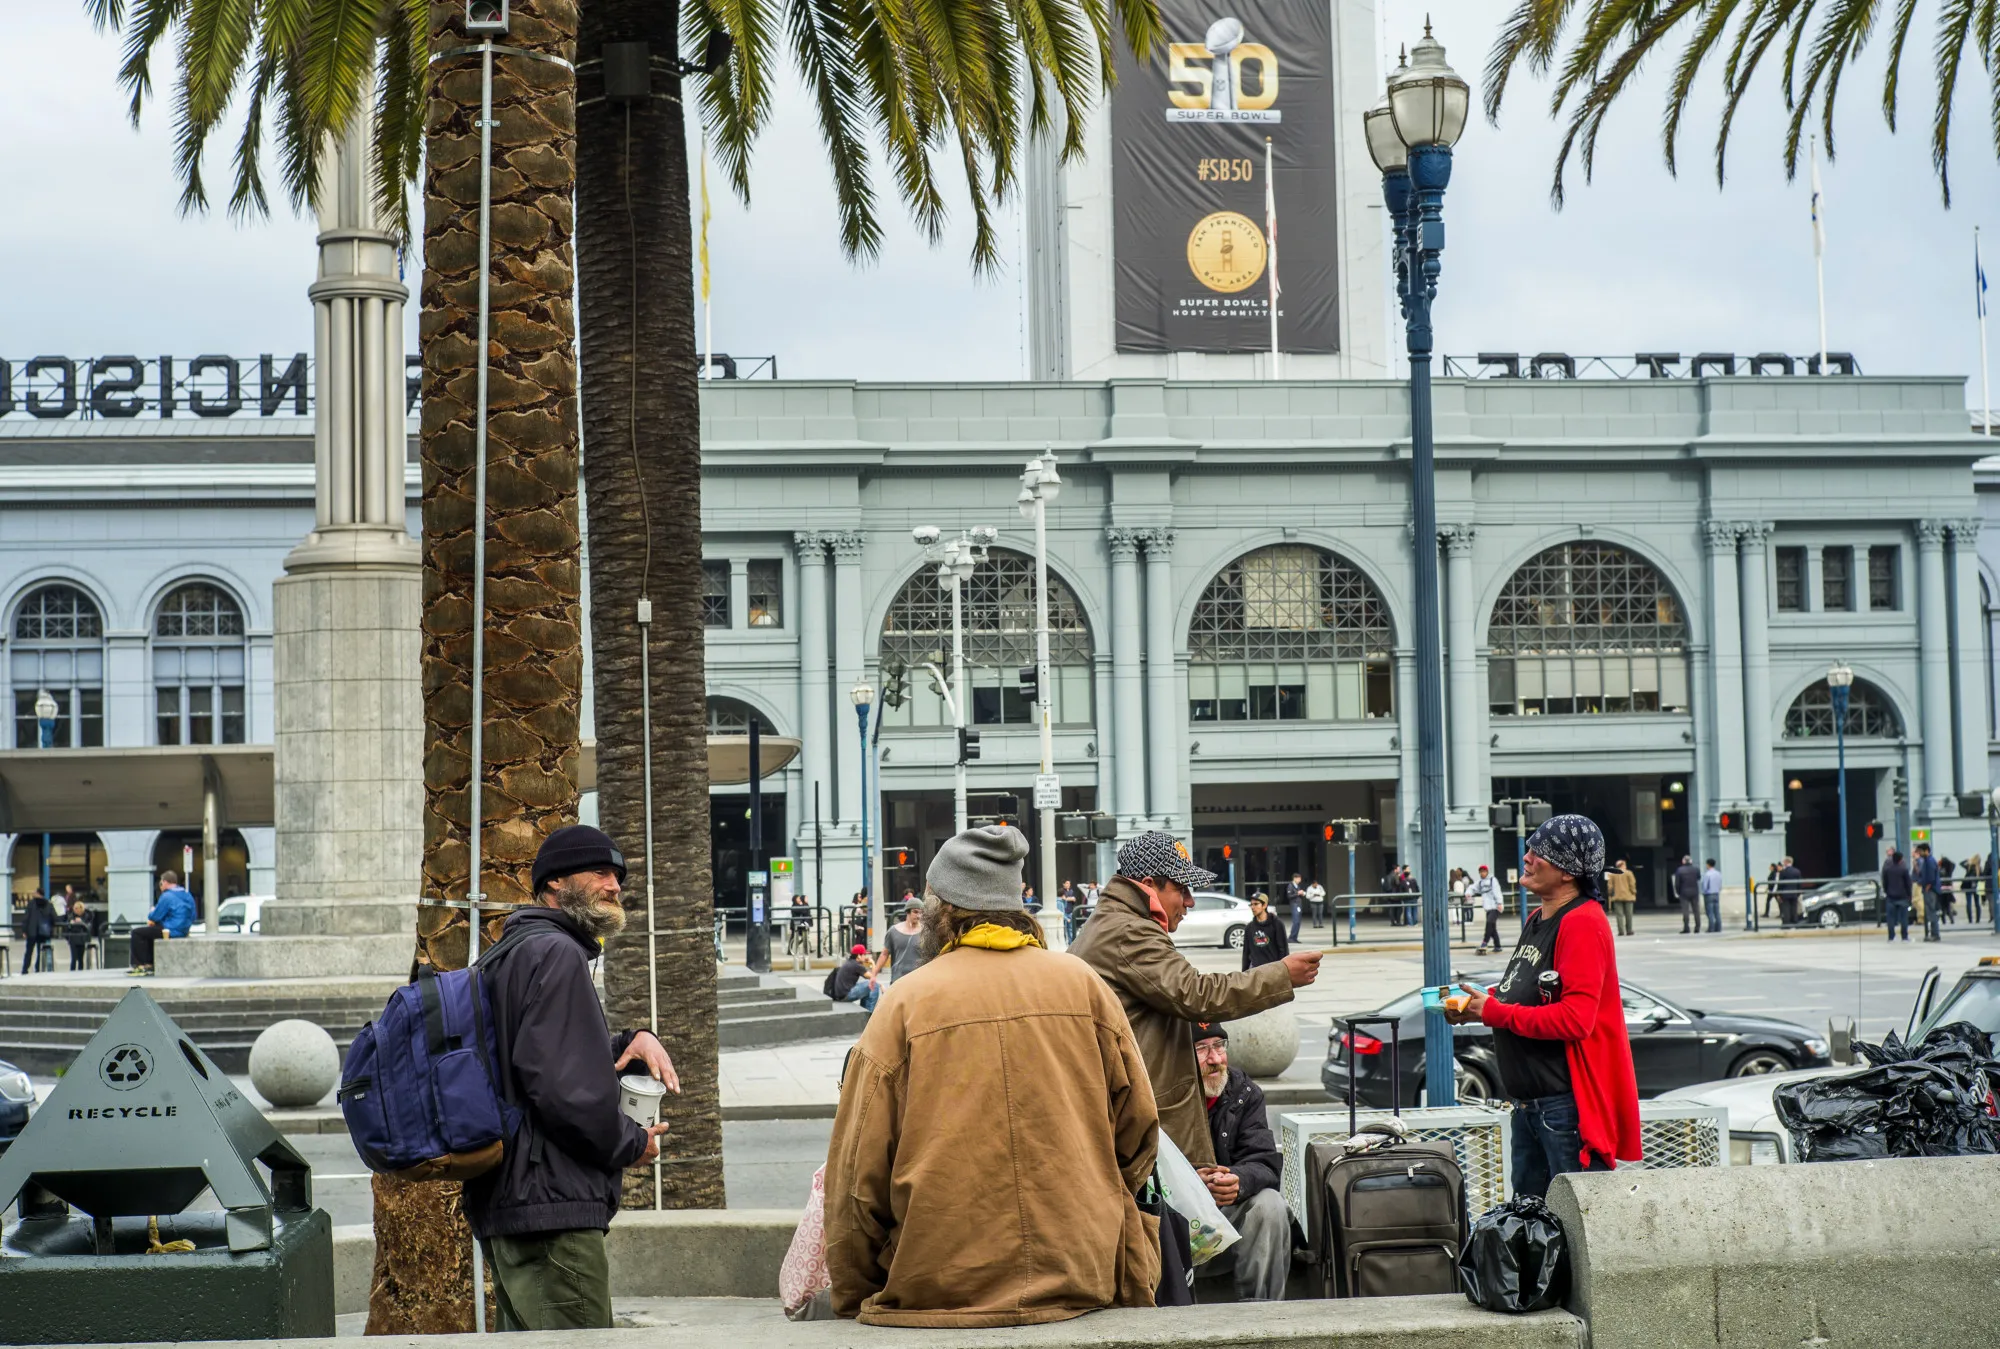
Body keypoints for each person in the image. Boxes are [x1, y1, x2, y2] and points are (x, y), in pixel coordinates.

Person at [824, 825, 1160, 1325]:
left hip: (936, 1286)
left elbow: (856, 1180)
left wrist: (856, 1297)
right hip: (1080, 1273)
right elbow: (1138, 1134)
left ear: (942, 910)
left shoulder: (906, 1004)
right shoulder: (1082, 986)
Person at [464, 824, 680, 1331]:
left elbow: (534, 1056)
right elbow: (563, 1089)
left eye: (619, 876)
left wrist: (627, 1040)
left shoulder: (513, 950)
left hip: (516, 1200)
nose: (615, 886)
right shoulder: (556, 954)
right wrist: (631, 1142)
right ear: (555, 884)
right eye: (601, 872)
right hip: (550, 1212)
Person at [1070, 832, 1319, 1206]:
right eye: (1182, 889)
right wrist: (1281, 975)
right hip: (1138, 1120)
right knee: (1162, 1245)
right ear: (1150, 884)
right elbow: (1197, 995)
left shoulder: (1117, 923)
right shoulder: (1128, 931)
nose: (1189, 901)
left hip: (1129, 1112)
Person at [1445, 814, 1641, 1199]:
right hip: (1530, 1107)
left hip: (1563, 1110)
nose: (1527, 857)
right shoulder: (1538, 917)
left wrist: (1491, 1011)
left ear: (1568, 871)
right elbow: (1521, 991)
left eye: (1540, 853)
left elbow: (1575, 1020)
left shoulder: (1583, 921)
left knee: (1572, 1235)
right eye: (1530, 848)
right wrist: (1474, 1002)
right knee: (1533, 1230)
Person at [1190, 1022, 1289, 1302]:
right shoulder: (1161, 1095)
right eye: (1202, 1049)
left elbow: (1265, 1162)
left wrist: (1238, 1181)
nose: (1215, 1059)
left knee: (1270, 1203)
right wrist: (1194, 1183)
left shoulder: (1244, 1091)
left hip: (1227, 1223)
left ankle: (1261, 1315)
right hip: (1180, 1224)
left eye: (1220, 1046)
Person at [128, 872, 196, 975]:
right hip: (183, 930)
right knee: (152, 931)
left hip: (170, 931)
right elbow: (193, 916)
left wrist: (152, 910)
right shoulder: (187, 894)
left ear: (164, 882)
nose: (160, 886)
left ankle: (140, 964)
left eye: (161, 883)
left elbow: (154, 916)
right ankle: (150, 962)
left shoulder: (167, 896)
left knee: (137, 933)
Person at [880, 900, 927, 983]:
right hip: (898, 979)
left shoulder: (926, 932)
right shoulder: (893, 931)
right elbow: (884, 954)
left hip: (919, 979)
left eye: (921, 913)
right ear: (907, 912)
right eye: (915, 912)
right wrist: (873, 975)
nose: (918, 916)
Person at [1240, 893, 1288, 970]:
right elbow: (1246, 953)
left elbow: (1283, 950)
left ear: (1264, 905)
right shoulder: (1249, 928)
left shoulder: (1277, 924)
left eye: (1256, 904)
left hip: (1273, 970)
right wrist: (1244, 974)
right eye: (1251, 904)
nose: (1253, 907)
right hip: (1255, 971)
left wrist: (1283, 970)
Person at [829, 944, 881, 1013]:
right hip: (845, 995)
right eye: (864, 954)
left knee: (867, 986)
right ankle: (869, 1015)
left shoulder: (850, 962)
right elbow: (873, 977)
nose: (866, 957)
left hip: (839, 994)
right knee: (874, 985)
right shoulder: (857, 966)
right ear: (859, 956)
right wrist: (873, 963)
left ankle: (865, 1011)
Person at [20, 888, 55, 975]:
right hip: (43, 932)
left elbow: (26, 918)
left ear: (38, 893)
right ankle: (38, 968)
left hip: (32, 931)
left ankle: (25, 969)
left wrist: (24, 930)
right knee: (40, 951)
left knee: (29, 951)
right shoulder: (48, 904)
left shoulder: (32, 903)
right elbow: (54, 917)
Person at [1880, 848, 1912, 941]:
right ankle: (1904, 936)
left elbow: (1885, 882)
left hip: (1890, 896)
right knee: (1903, 918)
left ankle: (1891, 936)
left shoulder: (1887, 869)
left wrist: (1887, 891)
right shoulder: (1904, 869)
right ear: (1901, 859)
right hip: (1902, 896)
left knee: (1890, 918)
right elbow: (1908, 884)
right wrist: (1909, 895)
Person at [1472, 864, 1504, 955]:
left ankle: (1484, 942)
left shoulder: (1492, 880)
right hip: (1488, 908)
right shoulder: (1480, 883)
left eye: (1484, 871)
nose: (1482, 873)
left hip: (1495, 906)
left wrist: (1499, 903)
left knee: (1489, 923)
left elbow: (1497, 891)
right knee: (1492, 928)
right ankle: (1498, 946)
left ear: (1487, 872)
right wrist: (1468, 893)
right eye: (1481, 872)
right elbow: (1473, 888)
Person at [1913, 843, 1942, 942]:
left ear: (1926, 851)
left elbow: (1930, 877)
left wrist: (1927, 887)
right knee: (1930, 912)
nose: (1919, 853)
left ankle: (1935, 934)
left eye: (1920, 851)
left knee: (1931, 912)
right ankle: (1934, 933)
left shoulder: (1929, 861)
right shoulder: (1927, 861)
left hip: (1930, 890)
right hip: (1929, 889)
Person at [1605, 859, 1636, 937]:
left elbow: (1610, 886)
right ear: (1623, 865)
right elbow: (1632, 884)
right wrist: (1633, 892)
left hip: (1617, 897)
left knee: (1619, 915)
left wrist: (1610, 894)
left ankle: (1621, 931)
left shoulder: (1613, 874)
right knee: (1629, 914)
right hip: (1628, 896)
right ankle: (1629, 930)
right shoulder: (1629, 873)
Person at [1672, 855, 1700, 935]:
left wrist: (1678, 892)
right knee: (1696, 910)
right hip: (1694, 891)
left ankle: (1686, 928)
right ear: (1691, 861)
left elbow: (1677, 883)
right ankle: (1697, 927)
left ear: (1683, 861)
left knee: (1685, 911)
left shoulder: (1679, 870)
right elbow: (1698, 878)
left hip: (1684, 892)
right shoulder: (1696, 869)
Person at [63, 897, 93, 971]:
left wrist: (81, 922)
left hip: (82, 938)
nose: (75, 910)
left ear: (81, 908)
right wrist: (71, 923)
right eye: (75, 908)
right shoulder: (71, 915)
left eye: (77, 908)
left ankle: (80, 971)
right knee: (73, 958)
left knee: (80, 958)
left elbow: (88, 926)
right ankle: (72, 971)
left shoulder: (86, 916)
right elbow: (67, 926)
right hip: (73, 938)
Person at [1777, 856, 1805, 926]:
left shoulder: (1783, 872)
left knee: (1786, 908)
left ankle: (1787, 923)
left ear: (1786, 862)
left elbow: (1780, 884)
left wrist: (1779, 894)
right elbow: (1799, 884)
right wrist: (1798, 892)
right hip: (1794, 893)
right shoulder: (1797, 871)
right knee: (1794, 908)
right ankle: (1794, 922)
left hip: (1785, 893)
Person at [1699, 858, 1723, 933]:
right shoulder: (1718, 873)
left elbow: (1705, 886)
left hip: (1709, 894)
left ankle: (1711, 928)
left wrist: (1703, 892)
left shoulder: (1707, 874)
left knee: (1710, 912)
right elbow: (1720, 885)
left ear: (1708, 864)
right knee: (1717, 912)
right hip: (1716, 893)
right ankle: (1718, 927)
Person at [1284, 872, 1306, 942]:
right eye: (1299, 879)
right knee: (1296, 921)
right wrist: (1297, 893)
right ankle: (1291, 937)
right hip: (1294, 905)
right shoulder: (1290, 886)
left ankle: (1295, 937)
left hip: (1298, 905)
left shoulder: (1297, 886)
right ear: (1295, 878)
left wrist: (1301, 894)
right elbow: (1289, 896)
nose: (1300, 880)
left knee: (1298, 922)